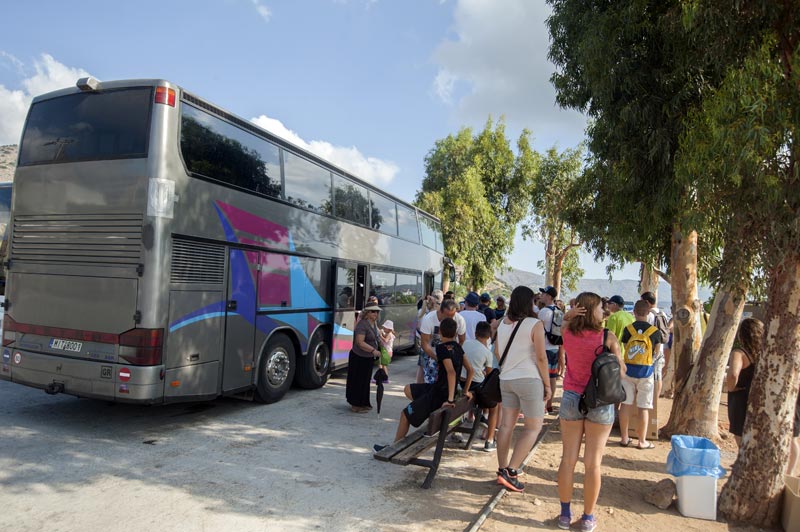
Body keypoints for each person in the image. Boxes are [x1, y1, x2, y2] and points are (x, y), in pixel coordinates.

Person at [557, 292, 626, 532]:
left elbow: (563, 323)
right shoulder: (608, 337)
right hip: (600, 402)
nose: (603, 311)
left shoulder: (568, 334)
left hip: (571, 398)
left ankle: (564, 515)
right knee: (593, 463)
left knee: (568, 460)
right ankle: (587, 518)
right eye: (600, 307)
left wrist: (569, 314)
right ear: (591, 310)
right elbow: (621, 370)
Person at [374, 318, 474, 450]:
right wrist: (466, 390)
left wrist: (449, 400)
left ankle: (394, 447)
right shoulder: (458, 348)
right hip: (438, 389)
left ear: (440, 332)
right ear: (455, 333)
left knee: (405, 414)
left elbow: (451, 372)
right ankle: (423, 410)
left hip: (439, 395)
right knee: (408, 389)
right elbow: (471, 370)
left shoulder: (441, 348)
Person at [494, 286, 551, 493]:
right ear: (530, 302)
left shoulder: (502, 323)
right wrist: (547, 384)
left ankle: (502, 469)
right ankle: (512, 470)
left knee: (506, 425)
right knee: (532, 427)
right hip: (529, 380)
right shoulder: (535, 324)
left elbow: (499, 353)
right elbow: (541, 357)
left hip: (506, 379)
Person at [618, 300, 662, 449]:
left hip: (628, 371)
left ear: (634, 312)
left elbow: (625, 347)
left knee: (625, 404)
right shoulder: (655, 332)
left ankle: (624, 437)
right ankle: (642, 441)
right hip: (646, 373)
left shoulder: (628, 329)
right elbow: (657, 352)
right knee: (644, 406)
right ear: (648, 312)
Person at [725, 317, 763, 447]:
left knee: (740, 433)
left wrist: (731, 388)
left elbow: (733, 375)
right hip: (760, 395)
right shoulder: (764, 353)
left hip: (741, 397)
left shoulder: (739, 353)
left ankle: (744, 462)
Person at [462, 321, 497, 451]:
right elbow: (488, 376)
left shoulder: (465, 343)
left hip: (461, 383)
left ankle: (482, 416)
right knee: (495, 405)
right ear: (489, 336)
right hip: (475, 386)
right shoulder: (487, 352)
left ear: (476, 333)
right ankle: (489, 440)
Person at [419, 299, 467, 384]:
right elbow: (425, 343)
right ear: (440, 311)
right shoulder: (429, 319)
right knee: (427, 377)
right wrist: (438, 359)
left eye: (452, 316)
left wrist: (454, 354)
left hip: (448, 354)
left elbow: (462, 340)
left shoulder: (460, 320)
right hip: (431, 352)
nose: (450, 318)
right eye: (447, 316)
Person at [346, 304, 383, 413]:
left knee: (365, 381)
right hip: (359, 357)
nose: (375, 314)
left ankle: (363, 403)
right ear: (367, 313)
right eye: (373, 311)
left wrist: (380, 343)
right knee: (357, 381)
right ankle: (356, 405)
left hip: (367, 358)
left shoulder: (374, 323)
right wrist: (373, 350)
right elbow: (360, 342)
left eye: (377, 312)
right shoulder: (362, 325)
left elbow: (376, 336)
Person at [537, 286, 563, 414]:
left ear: (548, 296)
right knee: (552, 377)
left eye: (543, 293)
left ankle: (542, 406)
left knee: (543, 377)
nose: (541, 295)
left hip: (545, 347)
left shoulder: (543, 312)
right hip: (555, 347)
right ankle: (549, 405)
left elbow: (538, 330)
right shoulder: (559, 310)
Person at [641, 291, 669, 401]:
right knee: (658, 377)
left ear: (647, 302)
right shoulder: (663, 314)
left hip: (649, 350)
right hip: (660, 349)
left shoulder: (649, 315)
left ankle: (650, 400)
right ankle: (655, 400)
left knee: (648, 377)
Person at [415, 290, 443, 383]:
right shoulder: (435, 314)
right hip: (432, 348)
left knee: (421, 370)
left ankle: (418, 392)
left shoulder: (422, 311)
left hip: (424, 346)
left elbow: (418, 327)